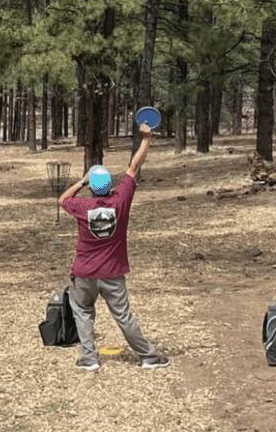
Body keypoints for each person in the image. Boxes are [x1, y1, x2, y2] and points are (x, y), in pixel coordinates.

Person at [58, 122, 170, 371]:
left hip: (84, 273)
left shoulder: (82, 207)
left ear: (92, 187)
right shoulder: (120, 200)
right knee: (123, 316)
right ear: (109, 186)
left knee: (83, 313)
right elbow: (133, 167)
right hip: (113, 273)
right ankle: (148, 356)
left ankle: (89, 359)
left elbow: (63, 199)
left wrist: (82, 181)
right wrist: (146, 139)